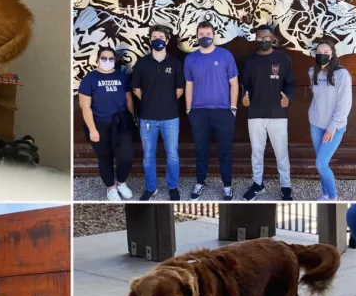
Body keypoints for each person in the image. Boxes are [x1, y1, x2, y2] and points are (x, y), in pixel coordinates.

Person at [184, 21, 239, 201]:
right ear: (197, 36)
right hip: (199, 112)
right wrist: (189, 109)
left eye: (208, 33)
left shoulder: (225, 55)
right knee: (200, 149)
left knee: (225, 150)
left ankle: (227, 185)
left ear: (213, 34)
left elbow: (234, 83)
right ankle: (200, 182)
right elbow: (189, 85)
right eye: (201, 34)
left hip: (223, 111)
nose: (205, 37)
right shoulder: (190, 59)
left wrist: (233, 107)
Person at [241, 25, 296, 201]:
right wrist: (244, 97)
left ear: (273, 39)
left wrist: (288, 97)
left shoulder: (283, 59)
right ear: (255, 39)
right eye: (259, 38)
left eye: (266, 38)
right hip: (255, 113)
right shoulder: (250, 62)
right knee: (256, 151)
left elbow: (291, 83)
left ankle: (286, 186)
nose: (263, 41)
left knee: (281, 152)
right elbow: (245, 86)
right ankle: (258, 184)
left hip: (278, 114)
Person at [132, 25, 184, 201]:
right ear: (150, 40)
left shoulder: (175, 63)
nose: (158, 39)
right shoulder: (142, 63)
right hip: (147, 117)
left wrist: (166, 102)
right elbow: (136, 88)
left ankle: (173, 187)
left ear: (167, 40)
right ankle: (151, 188)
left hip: (171, 118)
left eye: (161, 36)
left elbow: (180, 89)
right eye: (155, 36)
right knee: (148, 156)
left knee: (172, 155)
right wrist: (149, 101)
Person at [78, 46, 136, 201]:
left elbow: (129, 99)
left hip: (121, 122)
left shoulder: (122, 77)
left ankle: (121, 183)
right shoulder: (90, 79)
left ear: (115, 61)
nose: (107, 61)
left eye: (111, 59)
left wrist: (132, 119)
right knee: (105, 157)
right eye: (104, 58)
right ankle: (110, 188)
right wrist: (92, 129)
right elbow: (85, 106)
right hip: (100, 124)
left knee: (126, 156)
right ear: (98, 60)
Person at [308, 39, 353, 201]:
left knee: (321, 164)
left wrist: (332, 126)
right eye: (319, 52)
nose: (322, 55)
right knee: (321, 164)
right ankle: (324, 193)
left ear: (332, 54)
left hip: (334, 127)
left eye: (326, 52)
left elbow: (344, 104)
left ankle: (333, 197)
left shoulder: (342, 75)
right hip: (315, 124)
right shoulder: (313, 72)